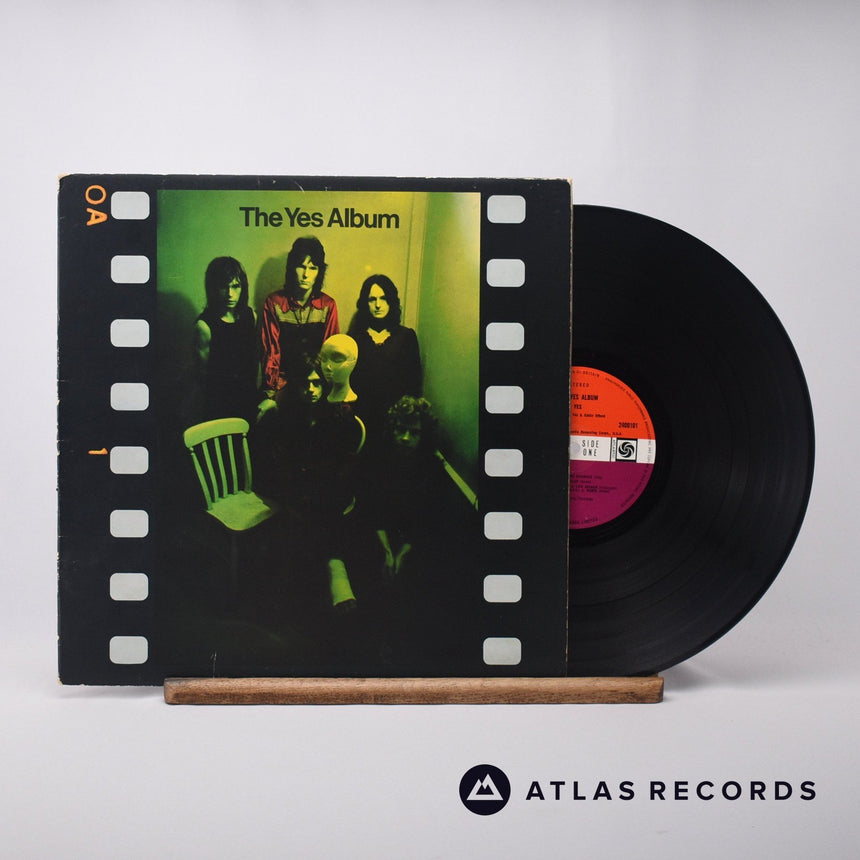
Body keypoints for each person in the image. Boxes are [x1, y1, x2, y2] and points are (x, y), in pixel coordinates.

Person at [259, 236, 339, 419]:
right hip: (283, 383)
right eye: (301, 266)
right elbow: (271, 351)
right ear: (291, 267)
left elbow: (330, 353)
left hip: (316, 385)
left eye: (313, 268)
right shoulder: (274, 303)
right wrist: (271, 392)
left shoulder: (328, 305)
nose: (306, 274)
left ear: (319, 271)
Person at [347, 275, 421, 438]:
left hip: (396, 420)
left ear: (391, 301)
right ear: (365, 303)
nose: (378, 305)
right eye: (372, 299)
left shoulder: (406, 336)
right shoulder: (354, 338)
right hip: (362, 418)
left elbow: (414, 382)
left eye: (384, 298)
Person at [192, 256, 258, 422]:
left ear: (243, 287)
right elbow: (203, 376)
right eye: (223, 286)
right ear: (213, 288)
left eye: (235, 286)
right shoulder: (204, 326)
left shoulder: (251, 316)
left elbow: (254, 362)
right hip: (219, 405)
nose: (230, 294)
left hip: (249, 400)